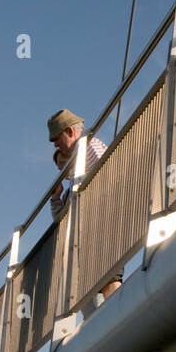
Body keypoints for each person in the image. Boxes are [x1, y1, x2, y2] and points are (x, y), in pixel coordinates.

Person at [47, 108, 122, 301]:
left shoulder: (91, 145)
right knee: (93, 286)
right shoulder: (75, 171)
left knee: (109, 277)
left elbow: (110, 172)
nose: (55, 145)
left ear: (70, 132)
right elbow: (60, 219)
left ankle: (116, 316)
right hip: (86, 235)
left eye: (56, 139)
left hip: (103, 224)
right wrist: (57, 199)